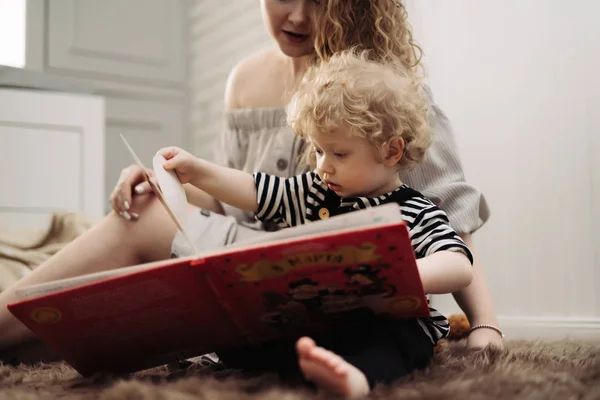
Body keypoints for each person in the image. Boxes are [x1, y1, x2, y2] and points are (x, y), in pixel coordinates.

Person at [0, 0, 501, 383]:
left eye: (322, 1)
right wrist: (167, 182)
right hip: (240, 265)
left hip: (315, 280)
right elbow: (233, 199)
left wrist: (485, 324)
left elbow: (450, 221)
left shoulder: (386, 94)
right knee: (147, 213)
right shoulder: (245, 80)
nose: (299, 16)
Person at [153, 49, 474, 398]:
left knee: (393, 343)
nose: (323, 166)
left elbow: (458, 264)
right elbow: (255, 191)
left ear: (391, 151)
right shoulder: (314, 192)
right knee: (250, 337)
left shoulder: (415, 209)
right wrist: (198, 171)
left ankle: (355, 380)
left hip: (388, 321)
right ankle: (302, 363)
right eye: (319, 151)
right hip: (322, 317)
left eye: (339, 154)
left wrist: (400, 274)